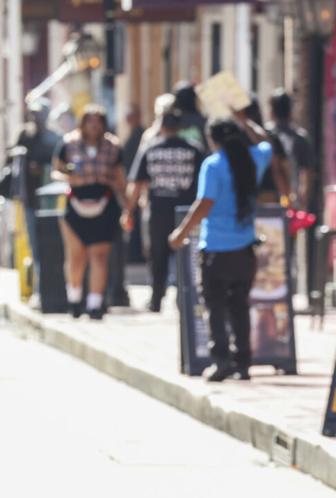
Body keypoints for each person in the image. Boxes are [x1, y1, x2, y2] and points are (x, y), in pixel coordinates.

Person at [170, 113, 274, 382]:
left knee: (215, 308)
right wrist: (247, 121)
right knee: (239, 306)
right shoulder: (253, 160)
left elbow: (204, 204)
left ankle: (221, 361)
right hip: (245, 250)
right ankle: (243, 362)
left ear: (212, 139)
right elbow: (266, 142)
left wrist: (181, 233)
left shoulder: (213, 165)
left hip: (216, 249)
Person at [52, 105, 131, 319]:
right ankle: (74, 299)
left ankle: (95, 303)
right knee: (76, 256)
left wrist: (128, 207)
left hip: (104, 203)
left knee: (99, 256)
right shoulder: (69, 143)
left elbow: (119, 178)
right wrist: (70, 177)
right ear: (83, 123)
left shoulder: (113, 147)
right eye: (90, 121)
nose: (94, 126)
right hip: (76, 201)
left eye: (98, 122)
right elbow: (56, 170)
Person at [127, 109, 205, 312]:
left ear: (161, 127)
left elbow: (135, 184)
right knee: (186, 253)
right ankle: (184, 297)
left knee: (157, 256)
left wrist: (128, 211)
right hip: (186, 212)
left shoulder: (150, 149)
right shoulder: (194, 150)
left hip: (158, 210)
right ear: (180, 128)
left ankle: (156, 299)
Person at [13, 99, 61, 277]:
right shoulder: (24, 136)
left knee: (51, 245)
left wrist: (44, 169)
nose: (36, 118)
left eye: (39, 114)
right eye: (33, 114)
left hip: (51, 203)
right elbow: (13, 162)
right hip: (30, 199)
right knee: (34, 244)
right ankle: (39, 286)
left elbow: (60, 166)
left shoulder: (54, 139)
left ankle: (50, 284)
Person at [267, 89, 316, 209]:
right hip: (291, 195)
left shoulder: (265, 135)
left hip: (270, 196)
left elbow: (307, 169)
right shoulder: (300, 137)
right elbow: (307, 170)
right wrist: (303, 194)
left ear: (272, 110)